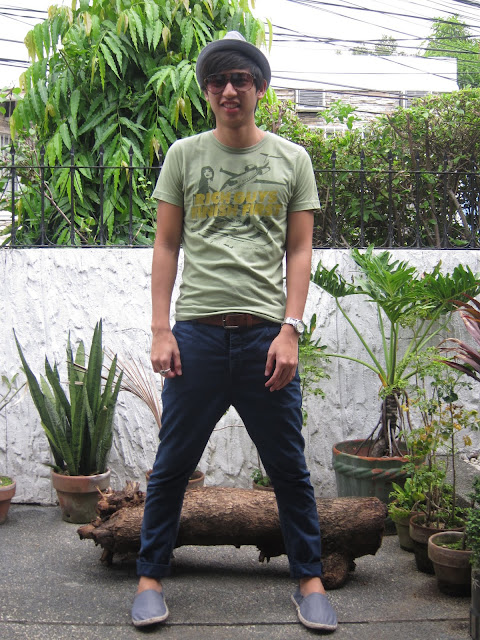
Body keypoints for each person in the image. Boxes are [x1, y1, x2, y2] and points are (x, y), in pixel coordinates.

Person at [131, 31, 338, 633]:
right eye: (218, 81)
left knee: (288, 467)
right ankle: (149, 578)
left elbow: (299, 251)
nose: (229, 90)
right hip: (195, 338)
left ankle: (310, 579)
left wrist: (291, 330)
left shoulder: (292, 160)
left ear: (259, 88)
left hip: (265, 340)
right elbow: (166, 245)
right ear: (206, 92)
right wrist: (160, 329)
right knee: (173, 464)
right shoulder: (184, 156)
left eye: (240, 79)